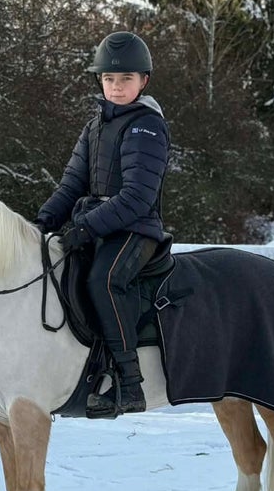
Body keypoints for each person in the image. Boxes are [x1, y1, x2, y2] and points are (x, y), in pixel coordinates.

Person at [33, 31, 171, 418]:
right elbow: (70, 185)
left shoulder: (147, 127)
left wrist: (85, 228)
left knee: (102, 280)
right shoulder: (94, 127)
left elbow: (137, 198)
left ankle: (130, 383)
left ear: (143, 80)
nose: (116, 86)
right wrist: (41, 224)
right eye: (109, 79)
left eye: (125, 79)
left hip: (136, 229)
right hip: (97, 226)